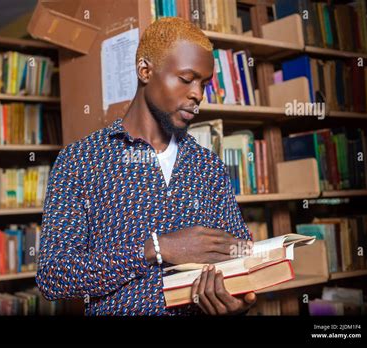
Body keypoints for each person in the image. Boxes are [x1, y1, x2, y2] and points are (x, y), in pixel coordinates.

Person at [36, 17, 256, 315]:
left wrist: (238, 303)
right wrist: (156, 248)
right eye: (186, 78)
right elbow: (54, 277)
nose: (197, 94)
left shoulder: (209, 167)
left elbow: (241, 254)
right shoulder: (81, 162)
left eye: (204, 83)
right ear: (145, 70)